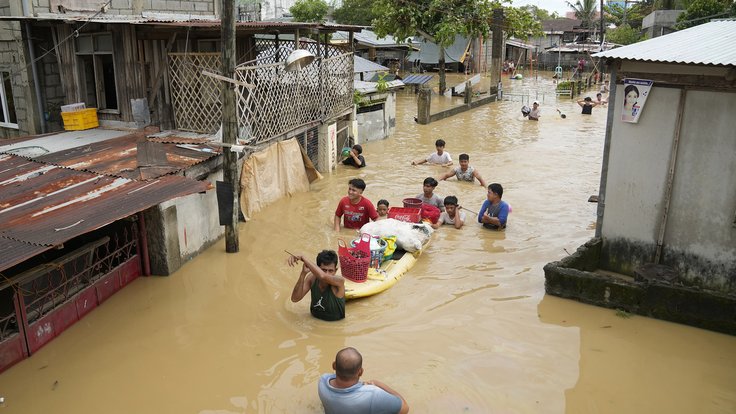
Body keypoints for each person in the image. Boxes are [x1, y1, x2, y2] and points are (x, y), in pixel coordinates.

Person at [318, 347, 409, 414]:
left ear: (334, 365)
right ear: (360, 372)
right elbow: (405, 409)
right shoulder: (373, 394)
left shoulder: (322, 381)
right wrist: (377, 384)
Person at [289, 250, 345, 321]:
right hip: (314, 319)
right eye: (323, 270)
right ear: (317, 269)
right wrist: (303, 274)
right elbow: (295, 299)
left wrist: (303, 258)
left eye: (331, 271)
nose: (327, 274)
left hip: (335, 325)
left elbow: (323, 276)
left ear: (336, 270)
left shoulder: (339, 281)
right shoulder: (311, 278)